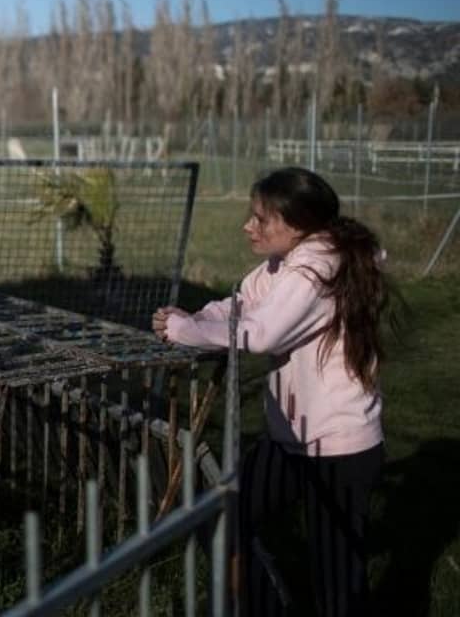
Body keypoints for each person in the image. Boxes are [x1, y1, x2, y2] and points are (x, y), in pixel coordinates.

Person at [153, 167, 391, 617]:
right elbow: (242, 304)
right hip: (291, 441)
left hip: (336, 447)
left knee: (336, 583)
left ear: (298, 225)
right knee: (221, 517)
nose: (248, 226)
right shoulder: (286, 263)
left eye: (262, 219)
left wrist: (188, 331)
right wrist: (189, 320)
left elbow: (262, 333)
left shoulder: (318, 269)